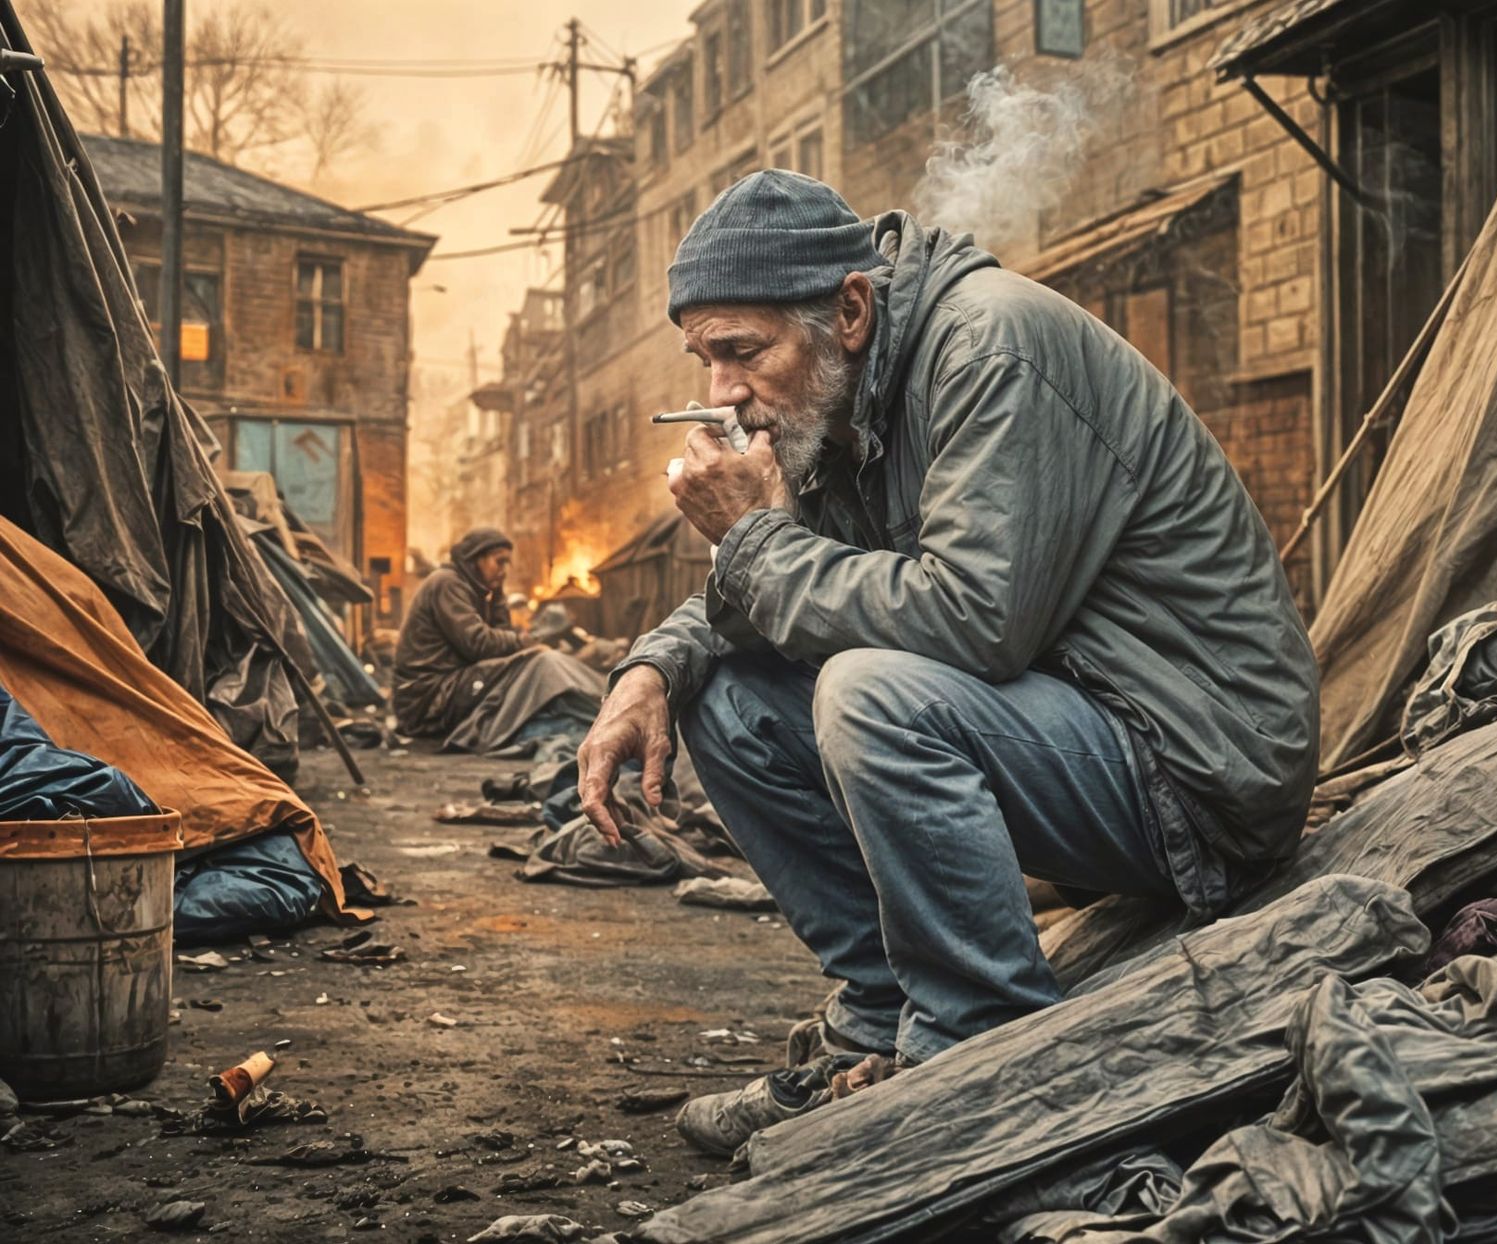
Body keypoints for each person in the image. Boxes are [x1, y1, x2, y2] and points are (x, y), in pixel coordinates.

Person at [577, 171, 1320, 1153]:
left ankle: (976, 1059)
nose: (722, 393)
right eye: (703, 357)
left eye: (741, 352)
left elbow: (973, 621)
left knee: (871, 690)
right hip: (1069, 731)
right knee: (728, 698)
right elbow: (792, 588)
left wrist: (753, 539)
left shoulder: (990, 345)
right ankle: (877, 1026)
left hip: (1195, 764)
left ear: (849, 308)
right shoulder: (845, 405)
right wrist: (652, 670)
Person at [393, 527, 543, 737]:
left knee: (522, 664)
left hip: (443, 689)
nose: (504, 570)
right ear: (476, 559)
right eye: (499, 562)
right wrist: (521, 642)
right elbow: (478, 644)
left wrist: (497, 597)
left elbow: (501, 644)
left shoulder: (475, 590)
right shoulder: (447, 583)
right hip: (426, 698)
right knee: (524, 667)